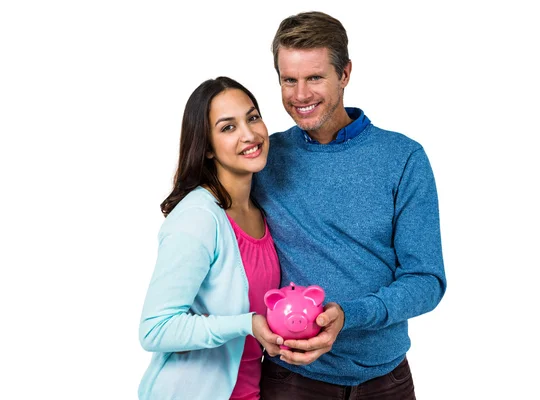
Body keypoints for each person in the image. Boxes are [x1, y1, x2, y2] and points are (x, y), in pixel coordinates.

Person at [252, 11, 447, 399]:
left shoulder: (403, 158)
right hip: (291, 379)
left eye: (315, 78)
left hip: (385, 380)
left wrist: (350, 315)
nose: (300, 95)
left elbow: (427, 280)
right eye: (289, 80)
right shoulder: (264, 157)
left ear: (345, 74)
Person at [138, 76, 284, 400]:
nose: (249, 134)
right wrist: (246, 324)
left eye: (253, 117)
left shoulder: (261, 210)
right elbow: (155, 329)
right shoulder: (199, 218)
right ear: (206, 148)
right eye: (228, 127)